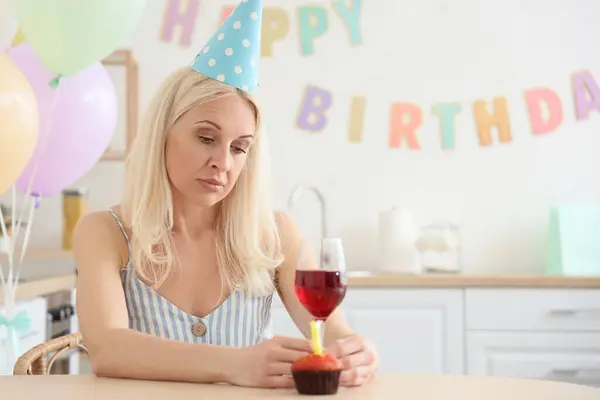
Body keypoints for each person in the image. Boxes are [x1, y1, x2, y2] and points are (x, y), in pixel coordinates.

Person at [72, 0, 378, 389]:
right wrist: (235, 364)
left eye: (239, 148)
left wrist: (357, 353)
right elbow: (108, 349)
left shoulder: (276, 235)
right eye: (206, 138)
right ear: (162, 136)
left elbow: (332, 334)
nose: (223, 162)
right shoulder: (104, 232)